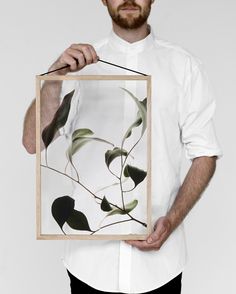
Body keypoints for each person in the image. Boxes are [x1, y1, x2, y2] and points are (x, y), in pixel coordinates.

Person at [22, 0, 223, 293]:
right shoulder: (74, 67)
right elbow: (32, 142)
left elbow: (205, 153)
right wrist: (53, 79)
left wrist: (172, 221)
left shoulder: (184, 66)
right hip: (89, 265)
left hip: (160, 268)